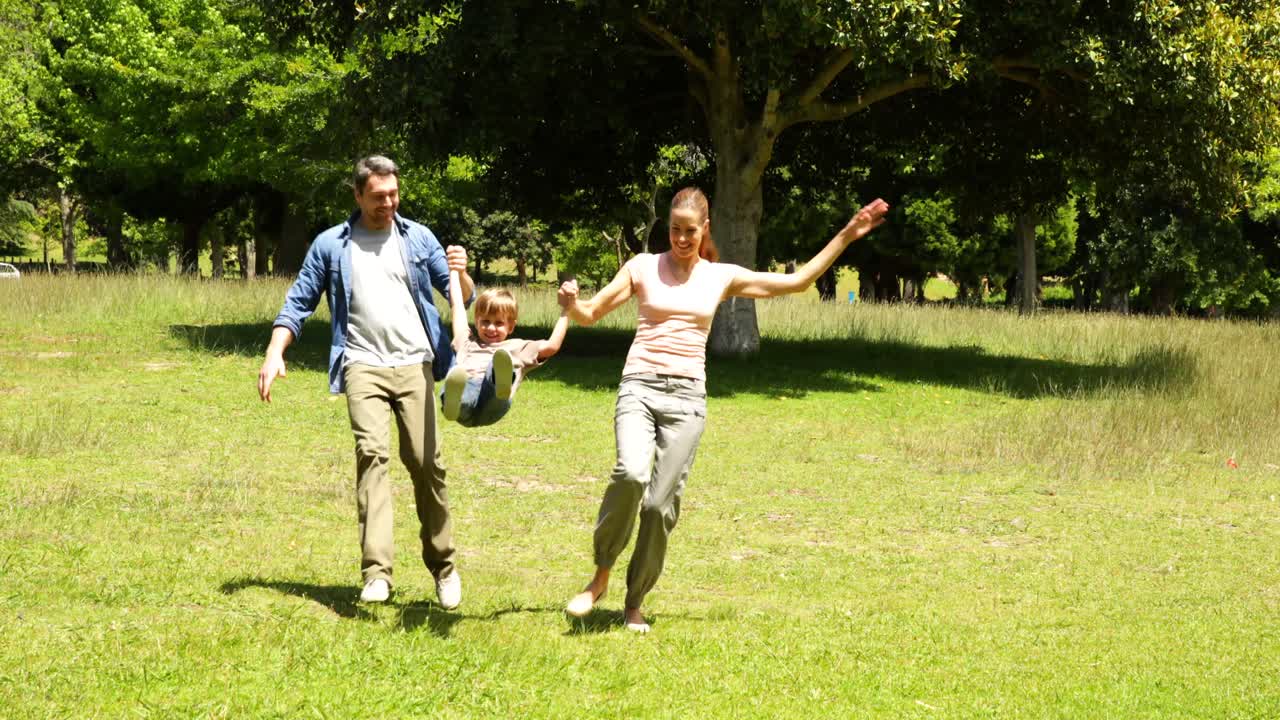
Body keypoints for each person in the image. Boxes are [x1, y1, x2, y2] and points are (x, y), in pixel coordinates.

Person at [561, 187, 889, 632]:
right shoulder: (641, 267)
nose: (680, 238)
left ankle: (634, 600)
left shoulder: (721, 276)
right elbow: (591, 312)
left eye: (689, 231)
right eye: (674, 229)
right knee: (631, 474)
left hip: (687, 399)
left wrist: (848, 234)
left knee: (659, 506)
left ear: (705, 229)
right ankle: (599, 576)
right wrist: (570, 306)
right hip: (639, 386)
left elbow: (798, 282)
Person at [257, 155, 474, 608]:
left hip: (416, 362)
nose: (388, 203)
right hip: (361, 364)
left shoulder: (418, 238)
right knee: (371, 456)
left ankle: (444, 566)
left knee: (425, 462)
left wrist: (461, 270)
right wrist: (275, 351)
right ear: (357, 195)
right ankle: (377, 573)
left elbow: (459, 295)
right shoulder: (331, 246)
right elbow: (297, 303)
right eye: (378, 197)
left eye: (394, 194)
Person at [439, 271, 572, 426]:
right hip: (465, 404)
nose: (490, 328)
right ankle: (454, 402)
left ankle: (500, 380)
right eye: (485, 321)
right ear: (476, 321)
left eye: (499, 323)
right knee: (461, 384)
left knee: (498, 363)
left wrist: (567, 310)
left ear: (511, 326)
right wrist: (455, 271)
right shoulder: (466, 341)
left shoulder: (517, 347)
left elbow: (551, 346)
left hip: (493, 405)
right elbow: (457, 306)